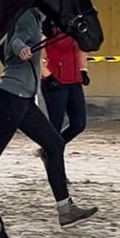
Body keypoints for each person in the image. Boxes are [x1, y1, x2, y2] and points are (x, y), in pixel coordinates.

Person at [0, 8, 98, 231]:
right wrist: (22, 48)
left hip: (17, 99)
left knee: (53, 145)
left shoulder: (24, 19)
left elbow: (5, 51)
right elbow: (15, 43)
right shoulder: (27, 18)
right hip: (12, 100)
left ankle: (66, 210)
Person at [35, 17, 90, 167]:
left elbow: (81, 48)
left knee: (78, 123)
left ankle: (49, 150)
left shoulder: (73, 26)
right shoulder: (46, 29)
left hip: (74, 80)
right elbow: (37, 55)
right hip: (55, 81)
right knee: (55, 125)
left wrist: (83, 70)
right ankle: (55, 164)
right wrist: (47, 75)